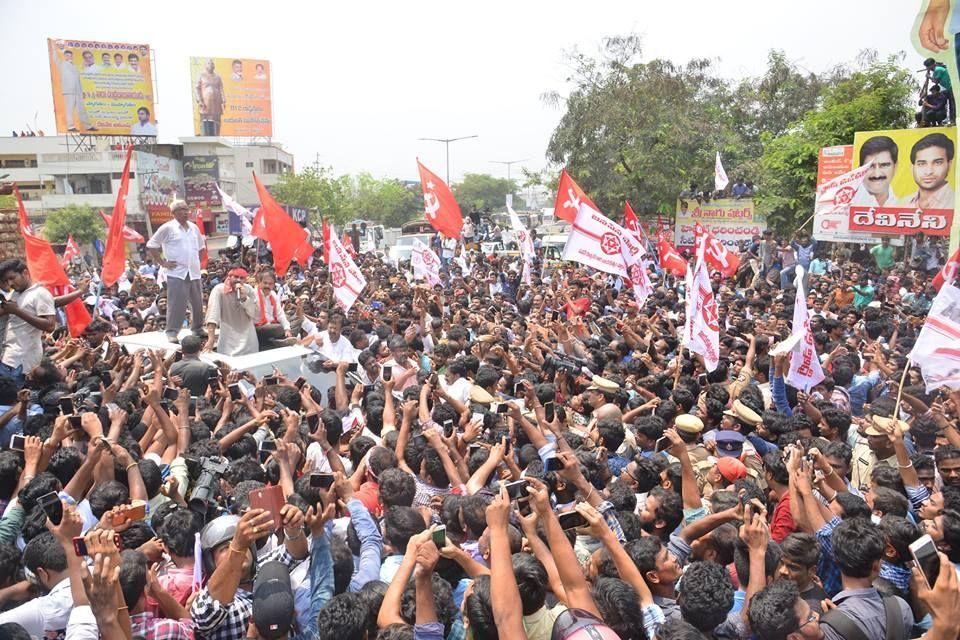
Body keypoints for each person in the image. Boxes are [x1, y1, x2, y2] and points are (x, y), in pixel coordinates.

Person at [146, 201, 205, 343]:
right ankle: (172, 331)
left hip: (194, 272)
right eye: (181, 210)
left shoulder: (194, 228)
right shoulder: (167, 228)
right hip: (177, 272)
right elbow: (152, 245)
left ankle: (197, 328)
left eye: (186, 209)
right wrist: (162, 262)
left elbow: (201, 247)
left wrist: (197, 262)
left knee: (197, 302)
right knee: (176, 303)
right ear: (173, 213)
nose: (185, 212)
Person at [0, 259, 56, 387]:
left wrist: (17, 311)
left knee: (11, 400)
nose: (10, 283)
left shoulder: (40, 293)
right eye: (6, 281)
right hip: (8, 358)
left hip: (21, 362)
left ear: (25, 273)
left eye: (12, 278)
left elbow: (50, 325)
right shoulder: (16, 294)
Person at [204, 267, 259, 356]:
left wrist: (245, 299)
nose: (238, 280)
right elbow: (212, 316)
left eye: (242, 278)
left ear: (245, 279)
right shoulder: (219, 290)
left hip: (249, 343)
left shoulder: (249, 290)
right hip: (228, 344)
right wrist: (211, 339)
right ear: (229, 277)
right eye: (236, 277)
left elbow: (256, 315)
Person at [899, 132, 955, 210]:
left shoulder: (956, 203)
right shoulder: (901, 204)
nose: (929, 171)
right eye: (921, 164)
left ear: (949, 165)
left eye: (937, 163)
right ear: (912, 168)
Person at [852, 135, 899, 207]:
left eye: (884, 165)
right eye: (870, 166)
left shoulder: (903, 204)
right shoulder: (846, 203)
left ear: (895, 167)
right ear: (860, 170)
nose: (877, 175)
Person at [253, 270, 294, 350]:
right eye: (265, 283)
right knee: (277, 328)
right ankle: (279, 340)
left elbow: (280, 314)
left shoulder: (274, 295)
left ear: (273, 285)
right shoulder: (253, 294)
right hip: (258, 327)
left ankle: (283, 338)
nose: (267, 286)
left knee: (290, 319)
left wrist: (287, 329)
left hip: (271, 325)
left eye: (270, 284)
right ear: (259, 282)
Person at [55, 49, 93, 132]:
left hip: (77, 91)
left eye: (70, 55)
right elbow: (55, 58)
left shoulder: (75, 66)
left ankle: (88, 126)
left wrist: (81, 91)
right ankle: (70, 126)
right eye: (67, 55)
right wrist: (54, 48)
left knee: (81, 109)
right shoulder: (62, 64)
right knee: (70, 110)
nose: (69, 57)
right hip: (68, 91)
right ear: (64, 56)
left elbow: (78, 80)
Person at [196, 60, 226, 137]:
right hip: (205, 102)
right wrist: (200, 100)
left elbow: (221, 89)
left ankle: (217, 136)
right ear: (205, 65)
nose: (211, 65)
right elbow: (197, 88)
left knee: (217, 120)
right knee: (204, 119)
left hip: (216, 102)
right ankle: (204, 135)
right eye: (209, 63)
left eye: (212, 63)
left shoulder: (218, 77)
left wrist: (224, 100)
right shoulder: (201, 75)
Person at [925, 57, 954, 123]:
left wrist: (929, 76)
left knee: (952, 105)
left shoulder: (938, 70)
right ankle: (951, 120)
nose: (928, 68)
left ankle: (953, 120)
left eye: (928, 67)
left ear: (931, 65)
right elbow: (934, 80)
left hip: (951, 87)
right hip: (948, 88)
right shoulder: (936, 70)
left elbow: (936, 81)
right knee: (950, 104)